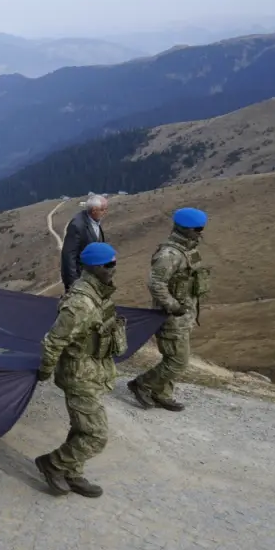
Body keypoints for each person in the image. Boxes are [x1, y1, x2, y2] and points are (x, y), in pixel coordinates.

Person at [34, 242, 127, 499]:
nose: (114, 268)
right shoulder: (80, 304)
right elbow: (54, 341)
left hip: (94, 371)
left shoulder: (98, 294)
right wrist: (45, 370)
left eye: (114, 262)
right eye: (109, 264)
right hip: (79, 375)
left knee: (82, 427)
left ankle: (72, 472)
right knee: (96, 435)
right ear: (95, 267)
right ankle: (53, 463)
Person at [128, 208, 210, 412]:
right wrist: (174, 306)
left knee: (173, 358)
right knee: (178, 361)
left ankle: (161, 393)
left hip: (185, 315)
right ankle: (142, 384)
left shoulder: (188, 250)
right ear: (184, 229)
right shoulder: (169, 254)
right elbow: (156, 284)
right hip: (171, 317)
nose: (201, 233)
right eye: (197, 229)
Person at [61, 194, 109, 291]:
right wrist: (73, 285)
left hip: (94, 280)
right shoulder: (77, 225)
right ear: (94, 210)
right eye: (103, 209)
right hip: (81, 282)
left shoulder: (95, 221)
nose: (105, 212)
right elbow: (69, 256)